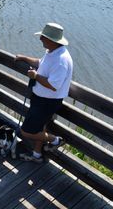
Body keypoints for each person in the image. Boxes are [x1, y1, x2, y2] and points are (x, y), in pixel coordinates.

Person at [15, 22, 73, 163]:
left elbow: (54, 86)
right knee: (39, 127)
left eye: (43, 37)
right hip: (40, 98)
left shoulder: (61, 60)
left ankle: (56, 140)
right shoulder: (52, 52)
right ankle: (36, 155)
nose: (40, 39)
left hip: (47, 102)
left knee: (26, 131)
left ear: (52, 40)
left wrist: (35, 77)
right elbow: (40, 63)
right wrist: (24, 58)